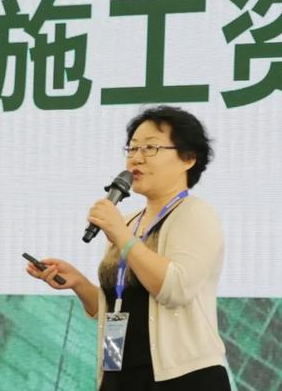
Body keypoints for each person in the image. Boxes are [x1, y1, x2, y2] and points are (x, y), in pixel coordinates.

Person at [26, 106, 230, 390]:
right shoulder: (129, 223)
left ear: (188, 158)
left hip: (181, 378)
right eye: (132, 148)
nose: (136, 157)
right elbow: (120, 305)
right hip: (119, 373)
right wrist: (79, 283)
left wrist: (121, 236)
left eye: (151, 148)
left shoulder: (194, 213)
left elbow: (175, 289)